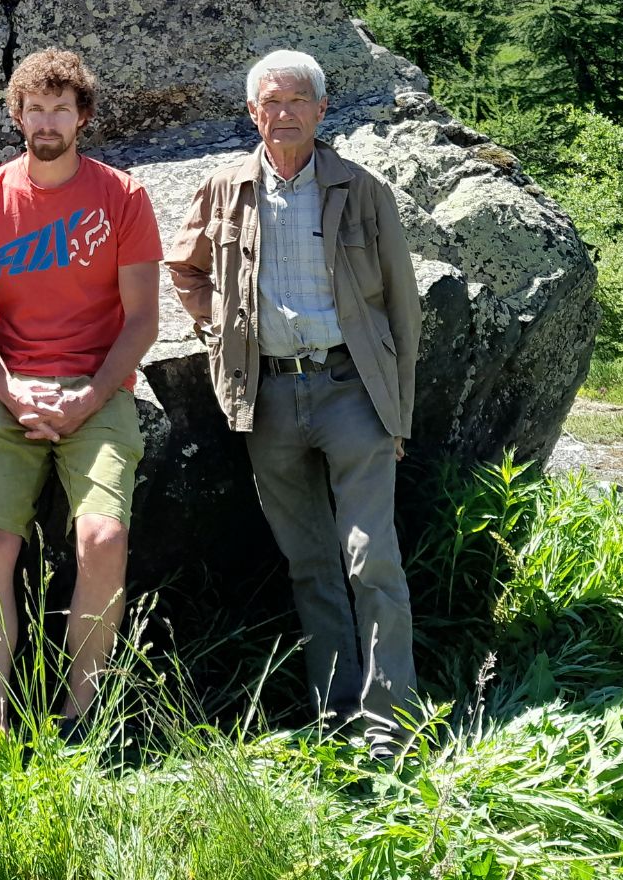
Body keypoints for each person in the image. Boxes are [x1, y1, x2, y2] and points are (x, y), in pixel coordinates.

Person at [165, 49, 421, 752]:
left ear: (320, 110)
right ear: (252, 112)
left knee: (373, 561)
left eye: (296, 102)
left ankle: (390, 725)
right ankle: (337, 718)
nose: (282, 115)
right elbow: (184, 267)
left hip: (352, 391)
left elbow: (403, 309)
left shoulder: (362, 190)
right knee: (310, 564)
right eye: (269, 103)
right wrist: (222, 330)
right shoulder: (224, 188)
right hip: (269, 396)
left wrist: (397, 411)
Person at [0, 48, 162, 737]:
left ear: (83, 117)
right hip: (9, 388)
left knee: (102, 537)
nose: (46, 122)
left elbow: (142, 320)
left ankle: (81, 712)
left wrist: (88, 397)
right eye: (34, 109)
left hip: (97, 389)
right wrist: (11, 394)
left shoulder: (123, 196)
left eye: (60, 109)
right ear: (16, 115)